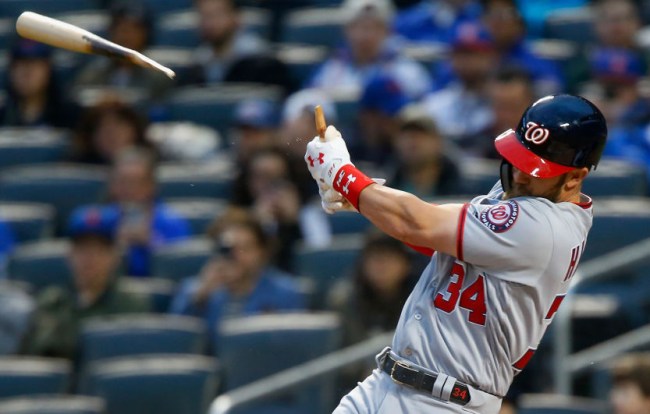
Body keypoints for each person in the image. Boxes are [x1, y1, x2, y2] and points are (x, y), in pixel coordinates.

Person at [304, 93, 608, 413]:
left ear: (576, 177)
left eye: (535, 169)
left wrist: (341, 173)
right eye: (520, 159)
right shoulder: (533, 194)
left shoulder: (545, 227)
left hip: (445, 402)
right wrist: (365, 201)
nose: (519, 174)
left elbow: (416, 224)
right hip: (388, 381)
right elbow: (436, 237)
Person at [20, 205, 151, 360]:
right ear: (70, 255)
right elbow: (39, 355)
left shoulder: (130, 303)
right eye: (82, 249)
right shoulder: (53, 301)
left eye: (100, 250)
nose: (90, 259)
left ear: (115, 256)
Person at [169, 209, 306, 336]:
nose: (236, 256)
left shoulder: (285, 292)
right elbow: (175, 338)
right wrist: (200, 296)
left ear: (262, 252)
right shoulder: (194, 291)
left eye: (245, 248)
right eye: (229, 249)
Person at [307, 0, 431, 100]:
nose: (365, 35)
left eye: (374, 27)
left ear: (388, 31)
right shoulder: (331, 70)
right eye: (358, 27)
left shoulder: (407, 72)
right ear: (346, 31)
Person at [107, 147, 190, 277]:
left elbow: (181, 267)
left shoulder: (172, 222)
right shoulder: (100, 220)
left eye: (135, 183)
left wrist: (151, 241)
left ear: (152, 185)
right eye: (122, 182)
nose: (128, 190)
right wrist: (114, 244)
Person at [73, 0, 172, 102]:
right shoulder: (94, 74)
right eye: (120, 28)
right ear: (111, 32)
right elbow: (77, 100)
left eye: (134, 29)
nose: (126, 36)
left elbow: (159, 107)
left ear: (146, 34)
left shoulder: (157, 77)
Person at [388, 106, 464, 198]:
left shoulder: (467, 186)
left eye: (420, 135)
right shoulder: (386, 187)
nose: (412, 142)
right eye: (406, 136)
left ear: (438, 141)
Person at [0, 38, 78, 128]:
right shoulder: (2, 115)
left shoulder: (69, 116)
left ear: (48, 71)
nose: (27, 74)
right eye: (20, 66)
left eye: (34, 65)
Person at [186, 0, 267, 85]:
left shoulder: (260, 59)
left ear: (236, 17)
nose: (209, 23)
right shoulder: (199, 61)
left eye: (217, 15)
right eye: (205, 16)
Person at [71, 100, 153, 164]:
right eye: (103, 128)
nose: (111, 135)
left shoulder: (152, 162)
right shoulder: (75, 169)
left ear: (135, 131)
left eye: (118, 125)